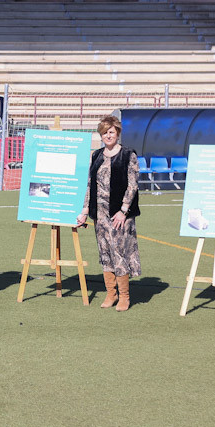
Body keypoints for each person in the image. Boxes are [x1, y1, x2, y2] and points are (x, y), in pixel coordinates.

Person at [77, 116, 141, 311]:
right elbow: (90, 184)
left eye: (111, 132)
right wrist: (85, 210)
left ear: (118, 133)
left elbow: (133, 185)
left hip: (119, 215)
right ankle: (111, 293)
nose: (108, 136)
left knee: (119, 253)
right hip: (101, 215)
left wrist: (123, 210)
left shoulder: (128, 155)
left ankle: (124, 297)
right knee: (105, 253)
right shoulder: (96, 155)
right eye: (105, 132)